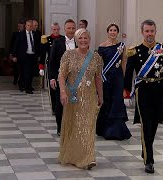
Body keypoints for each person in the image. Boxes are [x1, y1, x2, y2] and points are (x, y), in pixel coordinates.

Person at [123, 19, 163, 173]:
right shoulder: (135, 50)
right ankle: (149, 160)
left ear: (155, 31)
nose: (149, 34)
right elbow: (128, 73)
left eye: (152, 31)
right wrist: (126, 92)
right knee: (146, 123)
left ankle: (146, 149)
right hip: (143, 91)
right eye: (146, 31)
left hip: (158, 90)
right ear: (142, 32)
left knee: (154, 123)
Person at [58, 28, 103, 169]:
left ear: (89, 40)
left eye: (86, 38)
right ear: (76, 40)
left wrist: (100, 95)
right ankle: (73, 155)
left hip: (90, 97)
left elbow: (98, 78)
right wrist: (63, 92)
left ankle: (88, 158)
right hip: (73, 97)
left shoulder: (96, 57)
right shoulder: (68, 55)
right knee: (74, 125)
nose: (83, 40)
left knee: (88, 126)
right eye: (80, 38)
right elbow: (61, 75)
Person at [96, 23, 131, 140]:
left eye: (115, 30)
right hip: (106, 78)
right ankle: (105, 129)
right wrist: (100, 77)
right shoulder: (102, 46)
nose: (112, 32)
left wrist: (124, 77)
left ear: (117, 32)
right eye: (110, 30)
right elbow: (99, 64)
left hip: (118, 78)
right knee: (107, 101)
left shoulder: (121, 46)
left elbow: (124, 62)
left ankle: (116, 131)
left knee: (117, 101)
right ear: (107, 32)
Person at [49, 19, 77, 136]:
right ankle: (60, 128)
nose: (71, 30)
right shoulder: (57, 42)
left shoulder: (80, 41)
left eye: (73, 28)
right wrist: (52, 78)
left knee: (75, 104)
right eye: (69, 28)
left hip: (77, 79)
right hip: (61, 78)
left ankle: (74, 128)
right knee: (60, 104)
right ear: (64, 29)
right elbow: (52, 62)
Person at [39, 22, 63, 115]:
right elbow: (43, 54)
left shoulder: (63, 39)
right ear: (51, 30)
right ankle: (54, 108)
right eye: (54, 29)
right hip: (51, 66)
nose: (56, 31)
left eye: (57, 29)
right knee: (53, 88)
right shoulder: (47, 40)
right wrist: (41, 67)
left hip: (62, 65)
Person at [12, 19, 40, 94]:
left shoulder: (35, 34)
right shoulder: (21, 34)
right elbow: (16, 45)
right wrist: (14, 55)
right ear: (25, 26)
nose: (29, 27)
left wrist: (38, 55)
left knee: (31, 72)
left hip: (32, 55)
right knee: (26, 72)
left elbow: (37, 45)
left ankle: (27, 85)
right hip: (24, 56)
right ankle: (27, 88)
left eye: (31, 26)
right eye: (28, 25)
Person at [9, 20, 25, 85]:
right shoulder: (15, 34)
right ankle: (15, 80)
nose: (19, 28)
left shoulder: (26, 34)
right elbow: (12, 44)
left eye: (21, 26)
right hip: (16, 54)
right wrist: (11, 54)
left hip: (23, 55)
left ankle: (21, 81)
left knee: (23, 69)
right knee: (16, 69)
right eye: (18, 26)